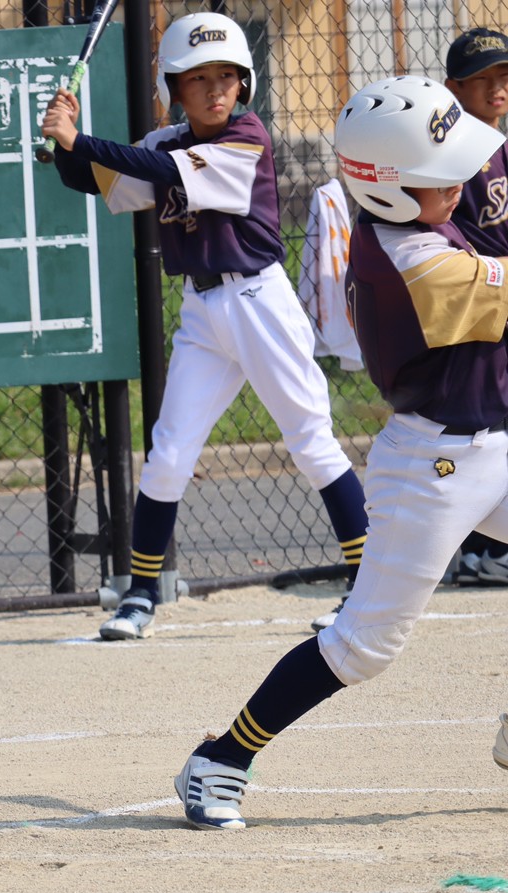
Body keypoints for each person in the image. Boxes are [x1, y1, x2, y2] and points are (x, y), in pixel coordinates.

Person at [172, 74, 508, 830]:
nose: (463, 184)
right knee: (363, 648)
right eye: (442, 176)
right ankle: (220, 760)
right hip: (433, 469)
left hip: (497, 444)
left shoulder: (430, 212)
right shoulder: (412, 258)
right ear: (389, 190)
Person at [40, 11, 369, 640]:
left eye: (226, 76)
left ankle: (366, 586)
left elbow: (164, 173)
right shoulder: (166, 141)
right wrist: (61, 145)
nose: (215, 89)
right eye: (197, 79)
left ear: (244, 83)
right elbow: (99, 178)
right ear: (174, 88)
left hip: (260, 304)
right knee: (168, 455)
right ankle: (139, 597)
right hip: (202, 311)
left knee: (310, 440)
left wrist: (81, 140)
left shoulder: (246, 138)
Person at [442, 27, 508, 584]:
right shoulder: (451, 157)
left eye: (503, 76)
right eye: (482, 78)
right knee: (476, 429)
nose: (496, 88)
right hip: (476, 307)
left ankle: (479, 551)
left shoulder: (501, 145)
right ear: (452, 87)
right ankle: (474, 552)